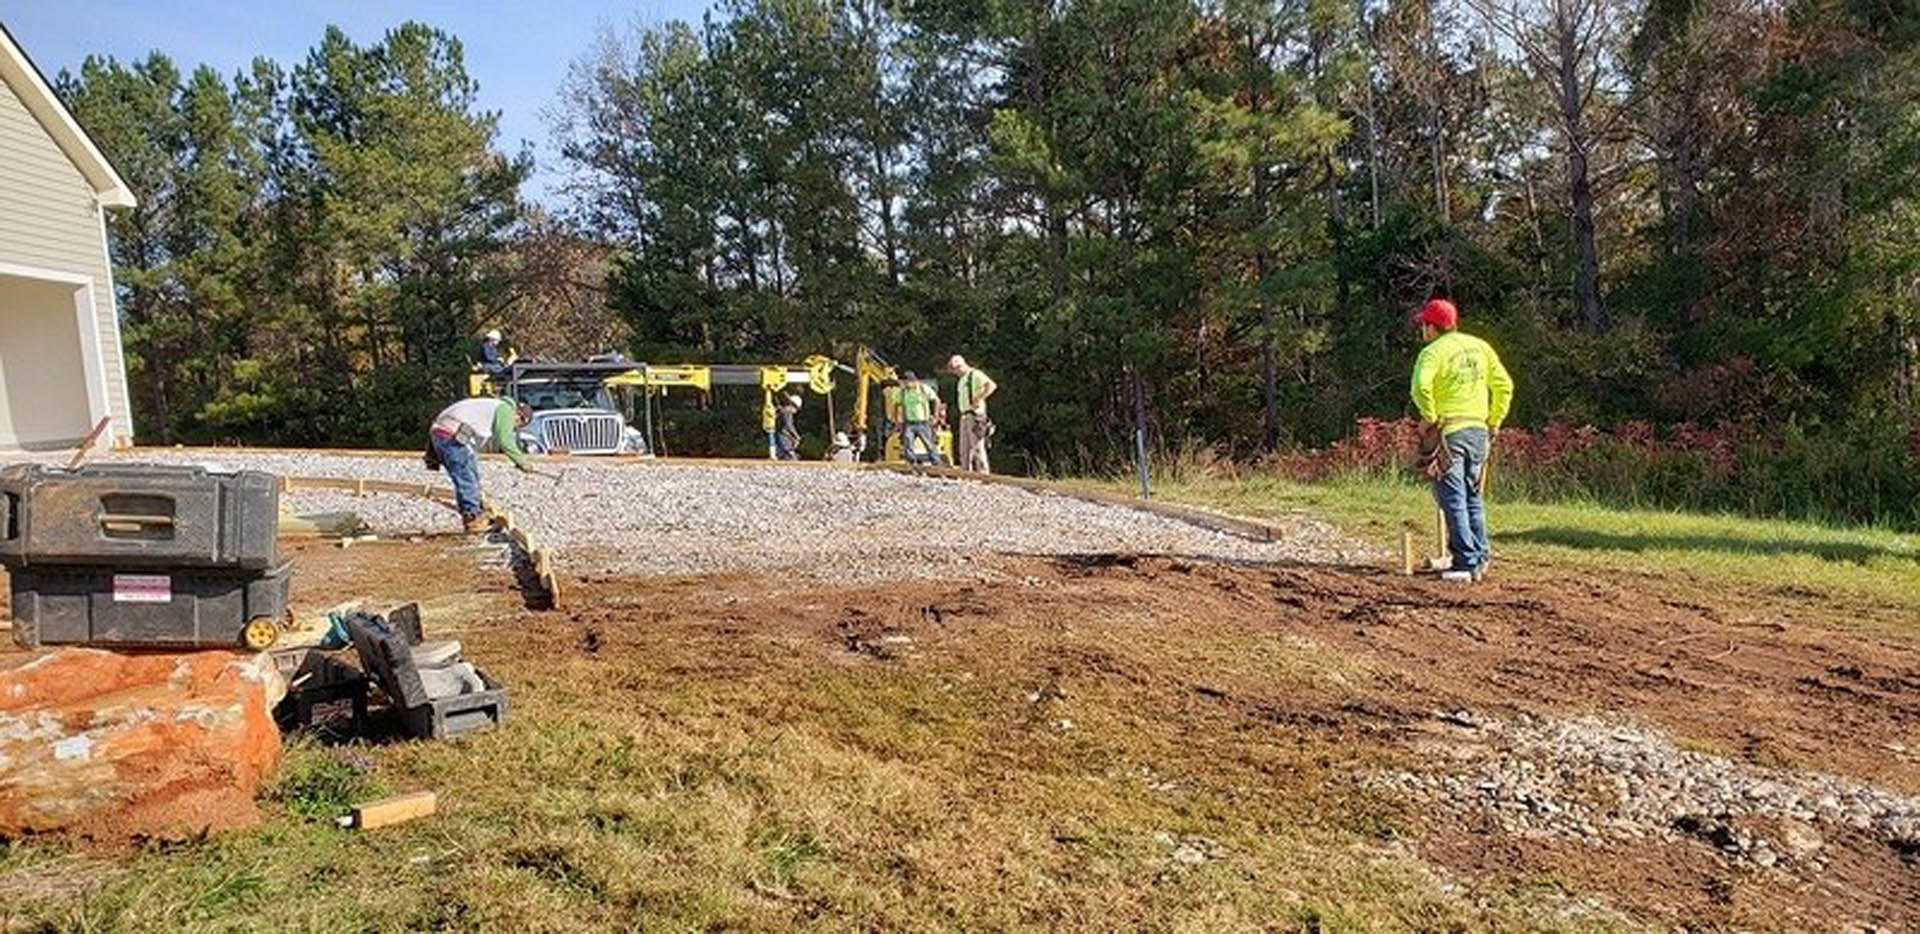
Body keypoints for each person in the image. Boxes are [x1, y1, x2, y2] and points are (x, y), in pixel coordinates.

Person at [1409, 298, 1514, 582]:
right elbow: (1504, 386)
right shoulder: (1480, 347)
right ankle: (1479, 558)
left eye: (1424, 325)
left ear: (1432, 328)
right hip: (1478, 431)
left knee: (1452, 497)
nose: (1423, 331)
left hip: (1450, 431)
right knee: (1472, 496)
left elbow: (1420, 387)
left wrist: (1429, 416)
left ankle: (1465, 564)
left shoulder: (1432, 353)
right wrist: (1494, 420)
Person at [428, 396, 535, 534]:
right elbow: (505, 439)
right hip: (451, 435)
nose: (513, 427)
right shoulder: (506, 411)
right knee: (466, 477)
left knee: (470, 475)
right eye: (517, 425)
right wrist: (522, 462)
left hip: (447, 433)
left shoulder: (495, 406)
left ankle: (474, 513)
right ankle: (473, 519)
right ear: (519, 416)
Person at [947, 354, 997, 472]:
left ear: (961, 365)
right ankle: (966, 474)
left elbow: (991, 386)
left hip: (975, 415)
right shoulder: (962, 380)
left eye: (956, 369)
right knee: (964, 448)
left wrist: (979, 398)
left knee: (978, 447)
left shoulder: (975, 374)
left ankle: (983, 474)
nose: (955, 372)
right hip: (964, 415)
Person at [897, 371, 943, 465]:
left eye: (908, 382)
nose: (907, 384)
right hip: (909, 422)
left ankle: (936, 462)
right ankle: (911, 461)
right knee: (907, 442)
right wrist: (897, 418)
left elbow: (936, 400)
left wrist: (935, 415)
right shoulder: (903, 392)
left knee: (929, 443)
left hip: (923, 422)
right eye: (905, 382)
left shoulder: (923, 389)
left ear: (914, 381)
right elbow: (897, 404)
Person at [775, 393, 803, 461]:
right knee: (789, 455)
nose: (796, 411)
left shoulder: (783, 411)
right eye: (797, 409)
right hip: (783, 437)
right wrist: (796, 435)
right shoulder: (787, 412)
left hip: (783, 437)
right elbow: (789, 425)